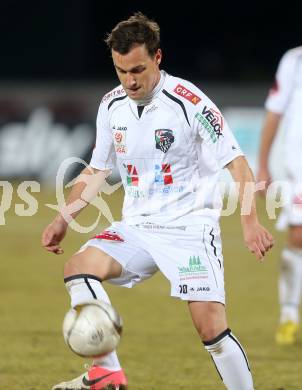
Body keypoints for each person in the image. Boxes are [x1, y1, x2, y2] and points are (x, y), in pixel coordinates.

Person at [42, 12, 274, 390]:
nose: (130, 80)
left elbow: (237, 163)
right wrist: (63, 218)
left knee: (211, 328)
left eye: (137, 69)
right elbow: (96, 170)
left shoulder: (189, 101)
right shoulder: (111, 105)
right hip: (136, 227)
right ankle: (107, 372)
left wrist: (249, 221)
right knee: (79, 267)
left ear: (157, 58)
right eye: (121, 71)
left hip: (189, 228)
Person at [257, 46, 302, 346]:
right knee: (298, 237)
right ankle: (289, 315)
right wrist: (262, 165)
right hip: (299, 168)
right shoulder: (294, 59)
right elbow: (275, 112)